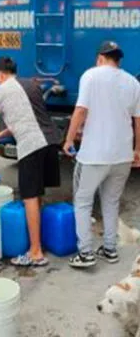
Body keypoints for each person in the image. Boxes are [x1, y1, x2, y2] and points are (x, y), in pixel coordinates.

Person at [64, 42, 140, 268]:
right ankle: (109, 249)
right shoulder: (133, 82)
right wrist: (137, 150)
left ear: (100, 58)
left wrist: (69, 139)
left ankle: (86, 253)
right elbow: (138, 120)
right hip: (122, 154)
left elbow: (80, 110)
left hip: (95, 154)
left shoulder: (91, 76)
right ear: (118, 60)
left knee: (83, 201)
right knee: (111, 200)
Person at [0, 57, 62, 267]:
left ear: (1, 75)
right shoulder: (31, 85)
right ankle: (37, 241)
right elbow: (24, 118)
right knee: (37, 193)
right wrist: (0, 136)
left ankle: (35, 252)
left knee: (29, 196)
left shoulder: (0, 90)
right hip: (50, 141)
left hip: (31, 144)